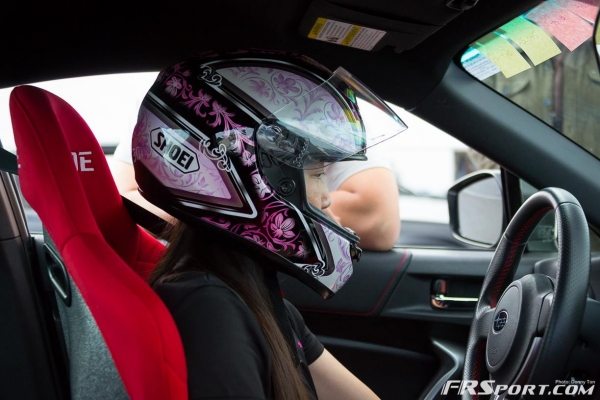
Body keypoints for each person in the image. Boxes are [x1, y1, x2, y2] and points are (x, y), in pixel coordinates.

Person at [131, 51, 407, 399]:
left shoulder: (259, 297)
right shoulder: (209, 309)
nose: (326, 198)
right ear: (251, 176)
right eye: (319, 173)